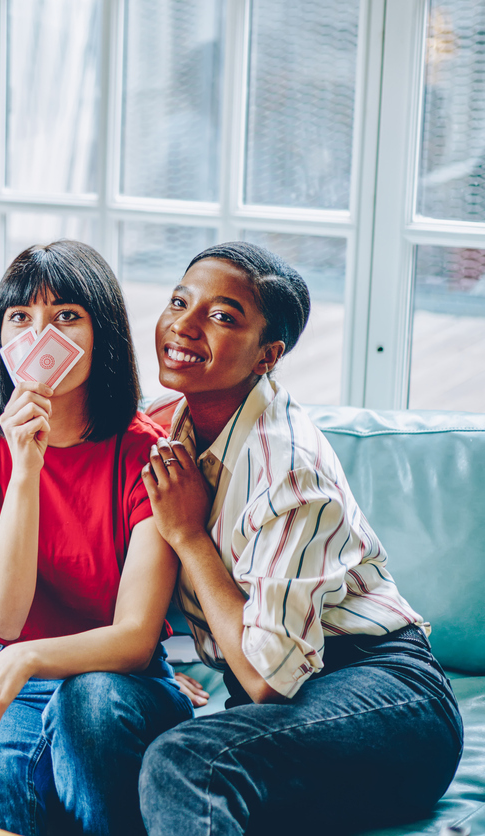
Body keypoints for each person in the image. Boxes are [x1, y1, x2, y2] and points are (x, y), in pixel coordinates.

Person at [138, 242, 464, 835]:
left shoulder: (288, 466)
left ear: (268, 355)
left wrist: (188, 535)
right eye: (180, 301)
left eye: (222, 315)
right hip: (285, 707)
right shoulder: (167, 426)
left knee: (188, 760)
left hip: (384, 696)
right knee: (111, 729)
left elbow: (265, 677)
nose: (182, 325)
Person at [0, 240, 194, 836]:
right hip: (17, 676)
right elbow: (1, 615)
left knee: (89, 703)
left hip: (122, 682)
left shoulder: (148, 451)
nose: (41, 336)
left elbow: (134, 638)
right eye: (21, 317)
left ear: (104, 334)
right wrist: (26, 469)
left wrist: (24, 658)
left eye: (67, 316)